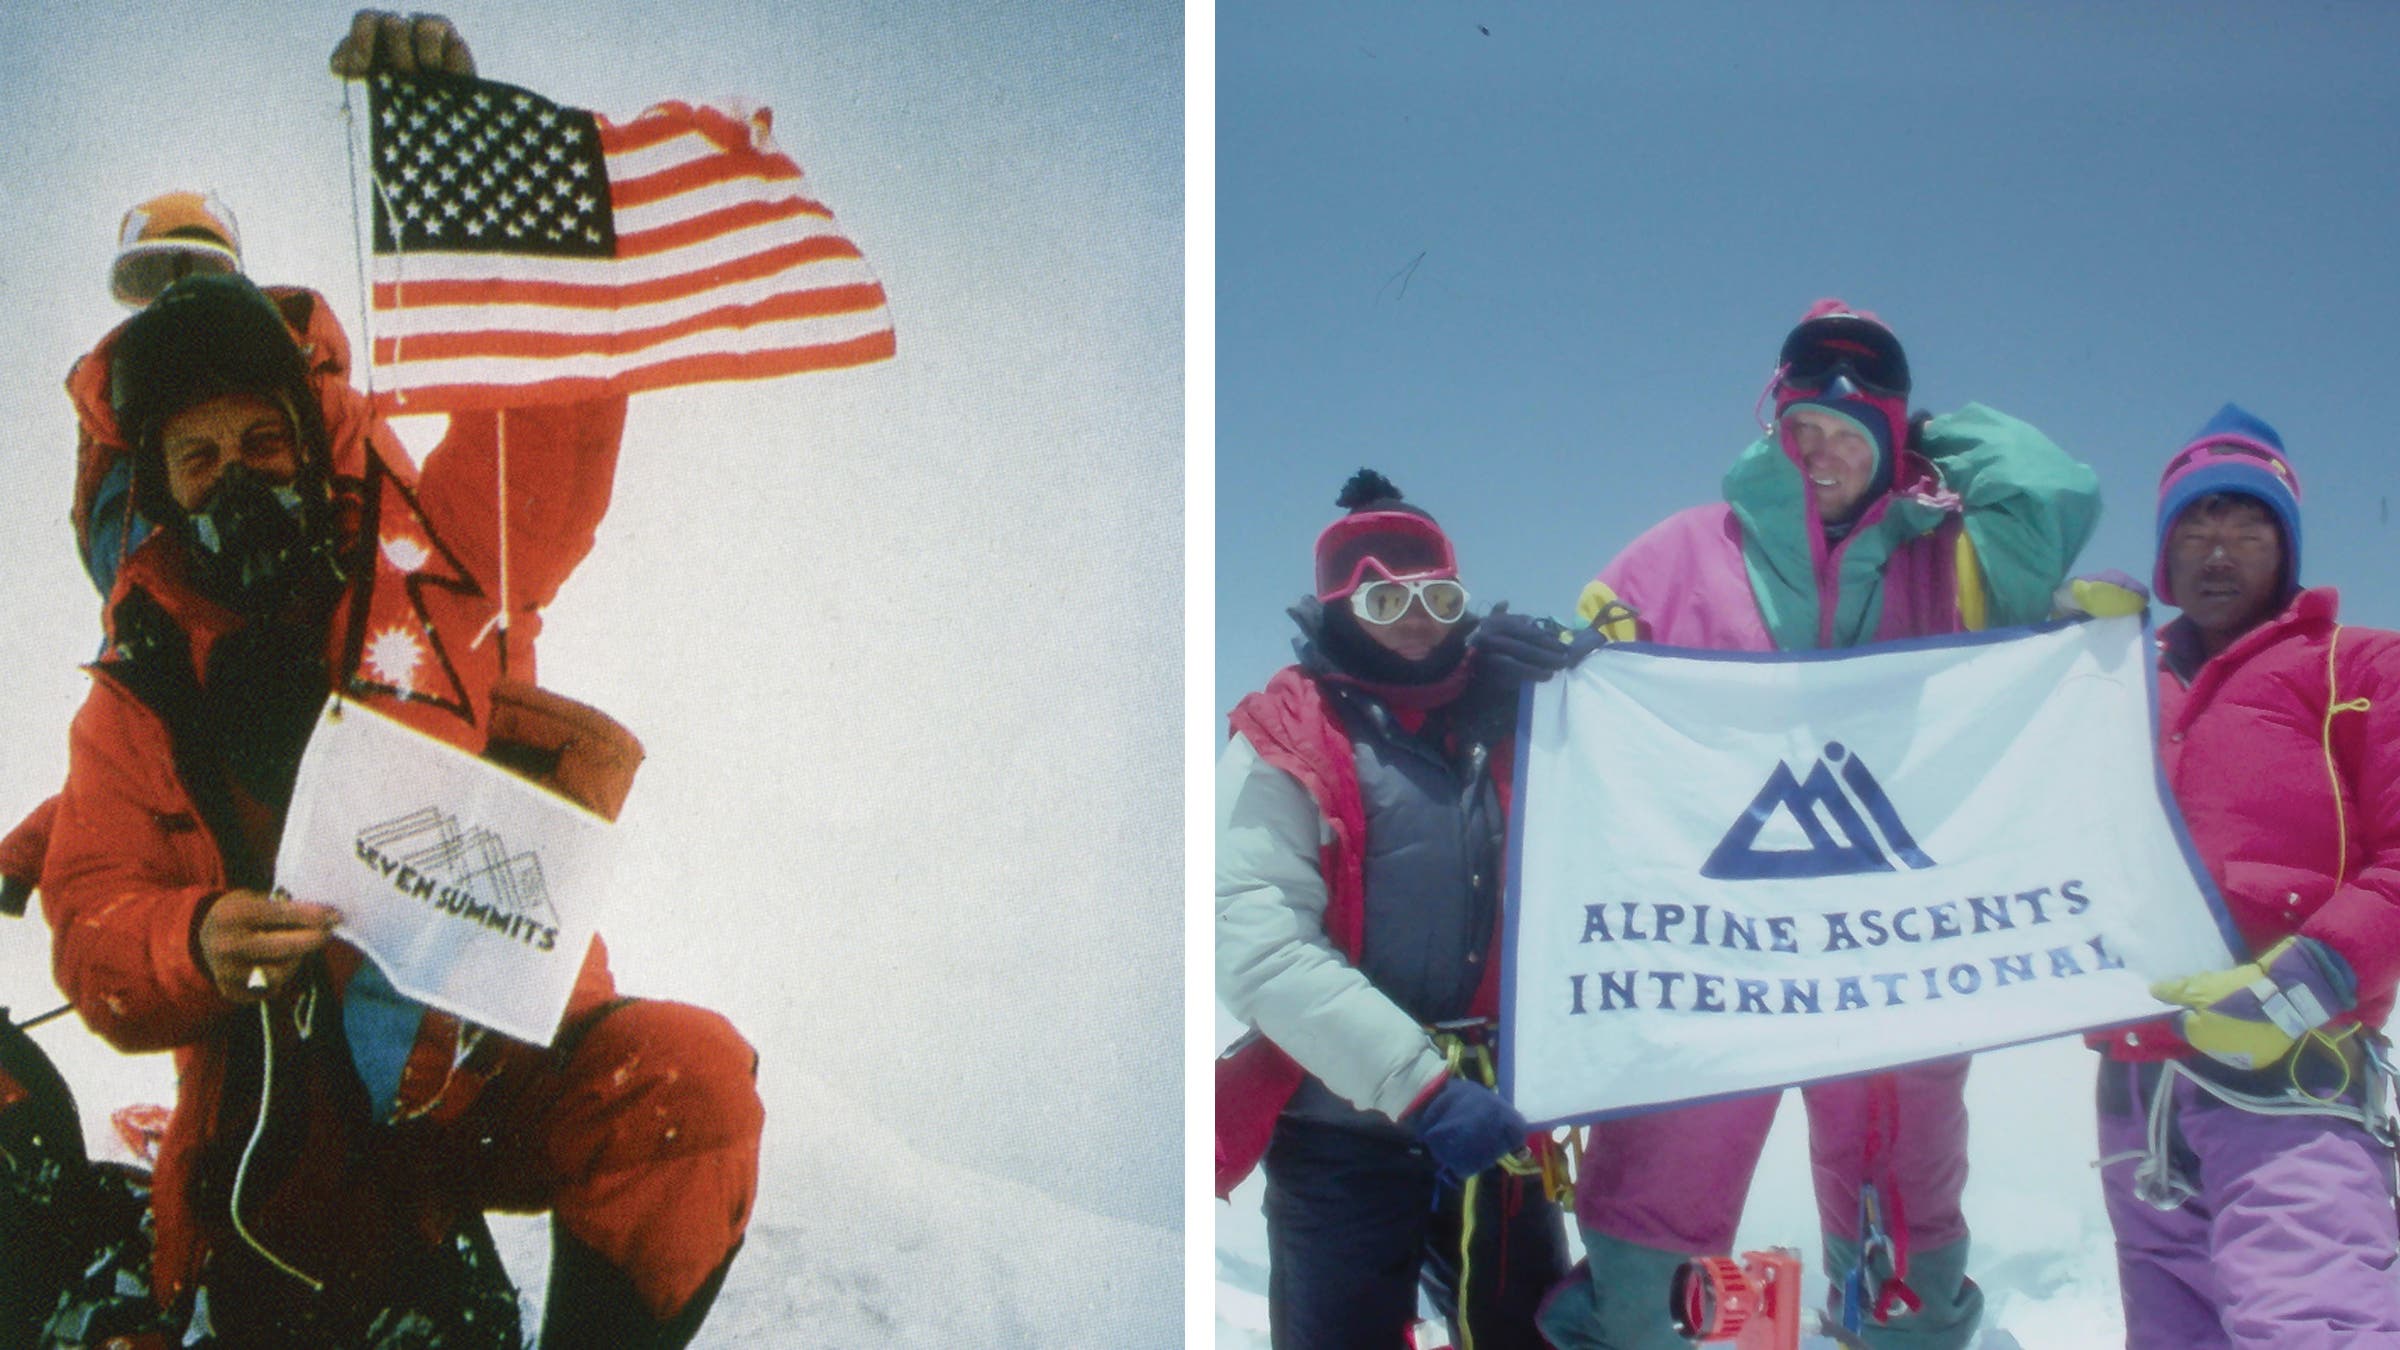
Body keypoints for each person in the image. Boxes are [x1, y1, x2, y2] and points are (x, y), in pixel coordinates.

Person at [36, 19, 761, 1348]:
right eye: (199, 460)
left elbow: (544, 399)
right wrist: (189, 940)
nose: (238, 478)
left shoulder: (452, 554)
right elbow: (95, 919)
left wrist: (475, 168)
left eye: (265, 442)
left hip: (484, 1055)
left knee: (691, 1087)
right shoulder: (134, 695)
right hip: (276, 1104)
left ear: (315, 449)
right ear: (158, 486)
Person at [1535, 301, 2102, 1350]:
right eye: (1807, 431)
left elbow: (2057, 489)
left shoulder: (1951, 561)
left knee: (1902, 1186)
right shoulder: (1675, 555)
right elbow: (1597, 734)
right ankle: (1634, 1329)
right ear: (1773, 429)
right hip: (1712, 949)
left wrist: (1924, 437)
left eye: (1855, 435)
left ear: (1893, 443)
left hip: (1893, 953)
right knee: (1665, 1174)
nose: (1826, 454)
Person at [1216, 469, 1577, 1349]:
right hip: (1344, 1132)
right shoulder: (1286, 733)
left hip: (1496, 1126)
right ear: (1337, 608)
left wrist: (1586, 691)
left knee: (1533, 1336)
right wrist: (1421, 1088)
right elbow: (1257, 945)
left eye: (1436, 596)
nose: (1415, 620)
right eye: (1382, 602)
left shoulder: (1502, 720)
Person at [2093, 406, 2400, 1348]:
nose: (2218, 550)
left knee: (2318, 1326)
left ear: (2289, 545)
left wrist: (2306, 985)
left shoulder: (2360, 667)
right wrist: (2058, 653)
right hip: (2135, 1092)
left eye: (2248, 525)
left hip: (2289, 1079)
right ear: (2163, 551)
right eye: (2193, 526)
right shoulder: (2112, 683)